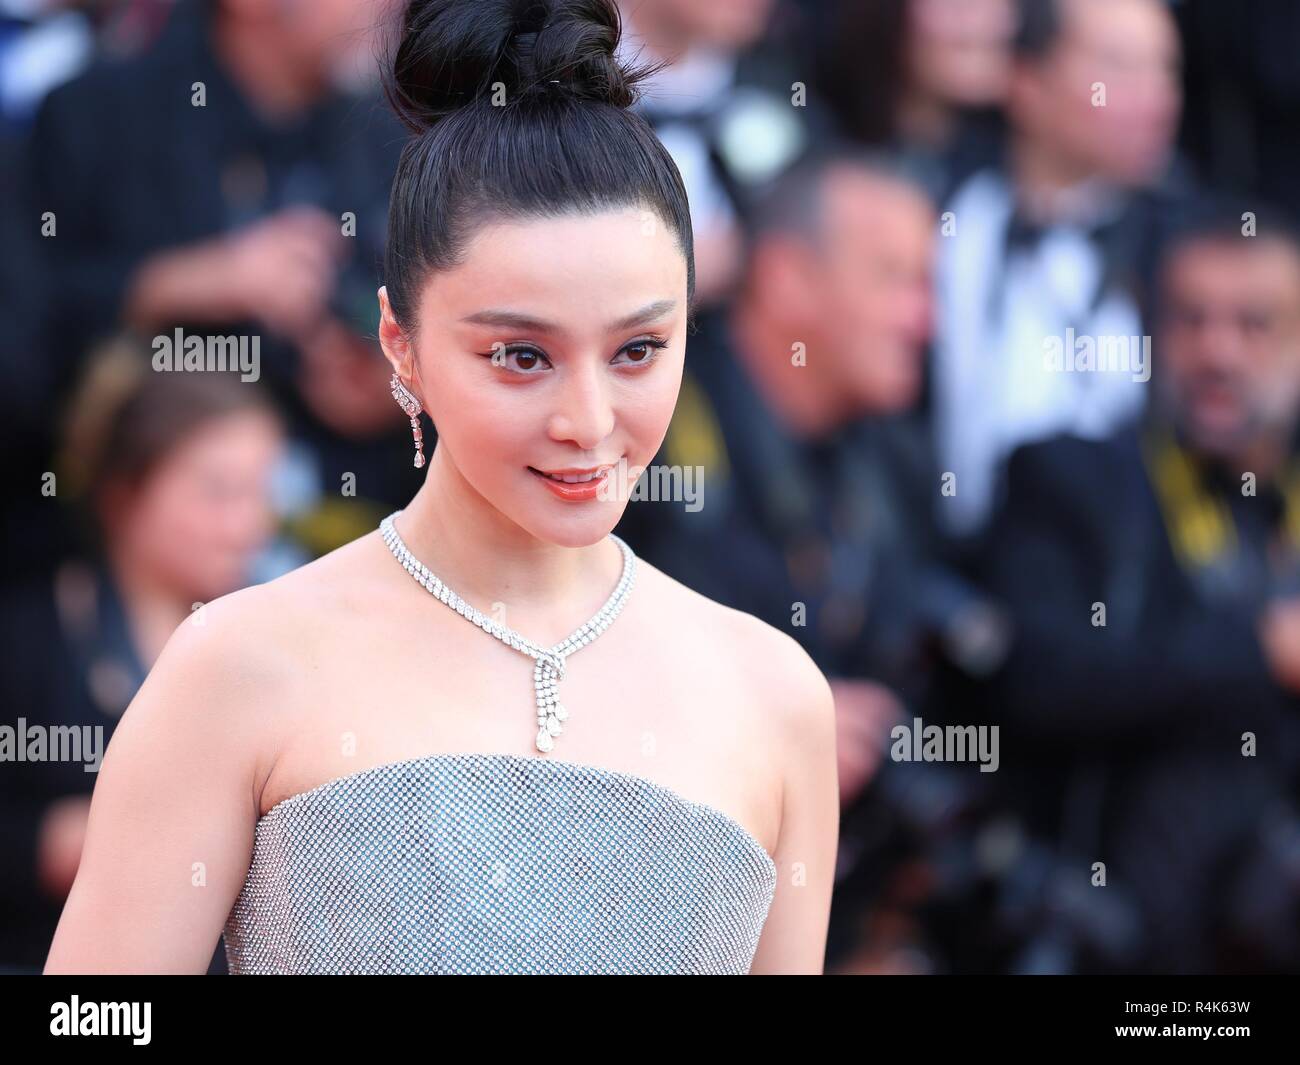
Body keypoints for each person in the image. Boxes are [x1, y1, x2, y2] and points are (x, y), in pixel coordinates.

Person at [44, 0, 837, 976]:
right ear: (399, 347)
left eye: (637, 349)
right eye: (519, 356)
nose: (587, 420)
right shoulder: (240, 667)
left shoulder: (773, 698)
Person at [973, 208, 1300, 973]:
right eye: (1190, 321)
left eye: (1255, 325)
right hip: (1129, 945)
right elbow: (1040, 681)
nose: (1217, 351)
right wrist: (1260, 648)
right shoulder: (1072, 476)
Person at [0, 335, 283, 974]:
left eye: (261, 493)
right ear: (125, 491)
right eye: (218, 492)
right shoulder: (25, 640)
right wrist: (52, 843)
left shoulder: (276, 640)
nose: (250, 526)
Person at [930, 0, 1186, 539]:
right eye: (1120, 65)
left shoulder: (1189, 249)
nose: (1159, 98)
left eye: (1167, 69)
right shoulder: (939, 214)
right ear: (1026, 81)